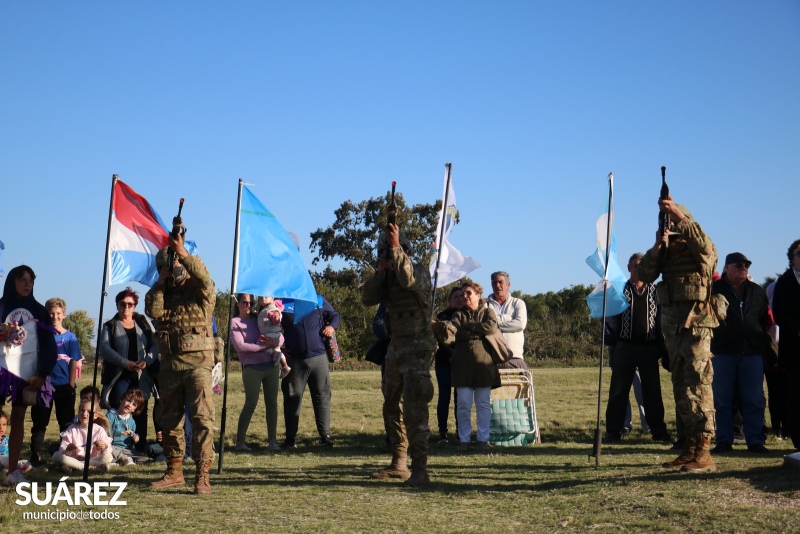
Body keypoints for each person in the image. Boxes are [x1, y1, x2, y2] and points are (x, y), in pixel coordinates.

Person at [638, 196, 725, 473]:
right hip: (672, 329)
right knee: (680, 386)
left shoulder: (702, 251)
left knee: (699, 385)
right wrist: (658, 246)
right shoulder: (664, 253)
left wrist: (676, 213)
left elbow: (703, 243)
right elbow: (645, 274)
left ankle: (704, 449)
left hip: (697, 326)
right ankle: (689, 446)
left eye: (675, 232)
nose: (673, 239)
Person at [362, 223, 435, 487]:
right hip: (395, 348)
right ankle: (399, 462)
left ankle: (421, 469)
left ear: (402, 250)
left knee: (415, 407)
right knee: (391, 405)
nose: (385, 256)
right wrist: (380, 273)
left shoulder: (420, 272)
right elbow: (366, 298)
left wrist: (395, 250)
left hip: (418, 347)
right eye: (382, 252)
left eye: (388, 251)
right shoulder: (386, 277)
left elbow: (408, 279)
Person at [145, 229, 216, 495]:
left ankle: (202, 474)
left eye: (176, 264)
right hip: (170, 366)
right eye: (167, 265)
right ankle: (174, 472)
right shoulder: (163, 294)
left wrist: (183, 253)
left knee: (201, 419)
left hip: (198, 364)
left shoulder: (200, 292)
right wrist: (161, 281)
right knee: (170, 420)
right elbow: (152, 309)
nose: (174, 269)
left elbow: (205, 278)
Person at [0, 265, 57, 486]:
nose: (27, 284)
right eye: (22, 279)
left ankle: (12, 471)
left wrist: (42, 374)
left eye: (30, 280)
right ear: (12, 281)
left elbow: (48, 344)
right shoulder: (2, 306)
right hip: (2, 371)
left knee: (18, 417)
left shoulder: (39, 310)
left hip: (26, 374)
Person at [604, 253, 670, 443]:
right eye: (636, 265)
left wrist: (661, 346)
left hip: (649, 348)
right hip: (625, 347)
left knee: (652, 392)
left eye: (643, 265)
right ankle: (613, 432)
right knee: (618, 391)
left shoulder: (656, 290)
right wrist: (614, 339)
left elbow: (661, 319)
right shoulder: (619, 289)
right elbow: (609, 317)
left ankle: (658, 431)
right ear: (629, 267)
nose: (639, 268)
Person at [710, 252, 770, 454]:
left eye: (746, 265)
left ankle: (755, 441)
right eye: (739, 265)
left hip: (751, 353)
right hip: (722, 352)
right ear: (727, 268)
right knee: (722, 399)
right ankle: (724, 440)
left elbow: (763, 319)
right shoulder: (714, 290)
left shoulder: (756, 291)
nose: (744, 268)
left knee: (753, 399)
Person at [433, 282, 501, 452]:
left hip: (484, 364)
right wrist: (473, 331)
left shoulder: (487, 311)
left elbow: (490, 327)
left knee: (483, 403)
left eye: (468, 293)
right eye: (463, 293)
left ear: (478, 295)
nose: (465, 296)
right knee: (463, 403)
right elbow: (453, 333)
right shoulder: (458, 314)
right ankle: (464, 440)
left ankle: (483, 440)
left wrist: (467, 328)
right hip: (462, 365)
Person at [99, 287, 159, 454]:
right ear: (117, 305)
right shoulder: (110, 325)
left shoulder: (143, 322)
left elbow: (155, 343)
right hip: (119, 375)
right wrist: (125, 363)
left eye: (130, 304)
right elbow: (104, 348)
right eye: (122, 304)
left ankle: (140, 446)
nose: (126, 307)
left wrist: (147, 361)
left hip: (141, 375)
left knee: (140, 410)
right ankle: (113, 445)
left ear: (135, 306)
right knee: (117, 408)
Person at [27, 298, 83, 468]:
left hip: (64, 385)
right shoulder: (40, 334)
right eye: (51, 313)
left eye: (58, 313)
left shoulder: (70, 337)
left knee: (65, 423)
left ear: (64, 315)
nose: (54, 316)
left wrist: (71, 384)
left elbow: (74, 361)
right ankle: (36, 455)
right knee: (40, 422)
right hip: (43, 386)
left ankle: (64, 454)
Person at [280, 294, 340, 448]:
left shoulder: (317, 300)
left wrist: (331, 326)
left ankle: (325, 436)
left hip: (319, 358)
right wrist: (278, 346)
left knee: (322, 397)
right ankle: (290, 439)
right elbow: (267, 325)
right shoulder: (281, 302)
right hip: (294, 361)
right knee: (292, 398)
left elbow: (334, 315)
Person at [229, 293, 282, 452]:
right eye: (244, 302)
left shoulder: (260, 317)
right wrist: (263, 347)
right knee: (251, 403)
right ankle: (240, 441)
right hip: (252, 368)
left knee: (272, 404)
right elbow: (241, 347)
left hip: (270, 366)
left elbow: (279, 334)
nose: (248, 306)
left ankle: (272, 441)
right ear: (237, 303)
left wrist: (276, 342)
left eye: (251, 303)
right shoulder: (235, 322)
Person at [772, 238, 800, 450]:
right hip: (794, 350)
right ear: (792, 258)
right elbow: (780, 315)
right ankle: (797, 440)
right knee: (795, 396)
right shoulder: (785, 282)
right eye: (799, 253)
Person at [434, 287, 463, 444]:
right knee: (444, 396)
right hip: (444, 361)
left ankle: (461, 432)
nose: (459, 299)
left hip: (462, 362)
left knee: (461, 398)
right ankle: (442, 432)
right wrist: (451, 352)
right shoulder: (442, 316)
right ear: (449, 299)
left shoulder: (467, 315)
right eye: (455, 296)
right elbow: (439, 338)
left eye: (461, 296)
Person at [53, 398, 112, 474]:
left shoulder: (99, 430)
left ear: (96, 415)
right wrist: (68, 450)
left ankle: (77, 467)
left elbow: (107, 450)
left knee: (108, 457)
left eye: (89, 412)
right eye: (82, 410)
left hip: (93, 460)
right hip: (74, 460)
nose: (84, 414)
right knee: (56, 456)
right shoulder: (71, 429)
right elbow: (63, 451)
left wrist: (104, 446)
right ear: (78, 412)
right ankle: (86, 467)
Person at [486, 271, 528, 369]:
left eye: (501, 282)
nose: (497, 285)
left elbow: (520, 325)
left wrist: (495, 326)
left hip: (515, 357)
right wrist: (508, 318)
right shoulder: (485, 305)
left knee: (524, 383)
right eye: (494, 283)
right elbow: (484, 325)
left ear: (508, 285)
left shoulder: (518, 303)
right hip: (492, 359)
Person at [106, 388, 145, 466]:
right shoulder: (110, 415)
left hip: (126, 449)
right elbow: (105, 433)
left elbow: (131, 440)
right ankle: (121, 460)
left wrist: (134, 438)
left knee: (144, 459)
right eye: (128, 400)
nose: (129, 405)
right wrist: (119, 433)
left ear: (135, 409)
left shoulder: (132, 421)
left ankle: (119, 461)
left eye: (134, 404)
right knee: (107, 451)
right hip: (113, 447)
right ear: (121, 400)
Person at [257, 296, 291, 379]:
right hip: (274, 333)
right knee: (278, 349)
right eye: (261, 298)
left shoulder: (271, 308)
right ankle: (285, 366)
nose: (263, 299)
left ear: (272, 299)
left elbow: (276, 320)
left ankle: (275, 355)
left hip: (270, 334)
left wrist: (277, 317)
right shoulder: (265, 308)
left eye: (265, 297)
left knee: (261, 345)